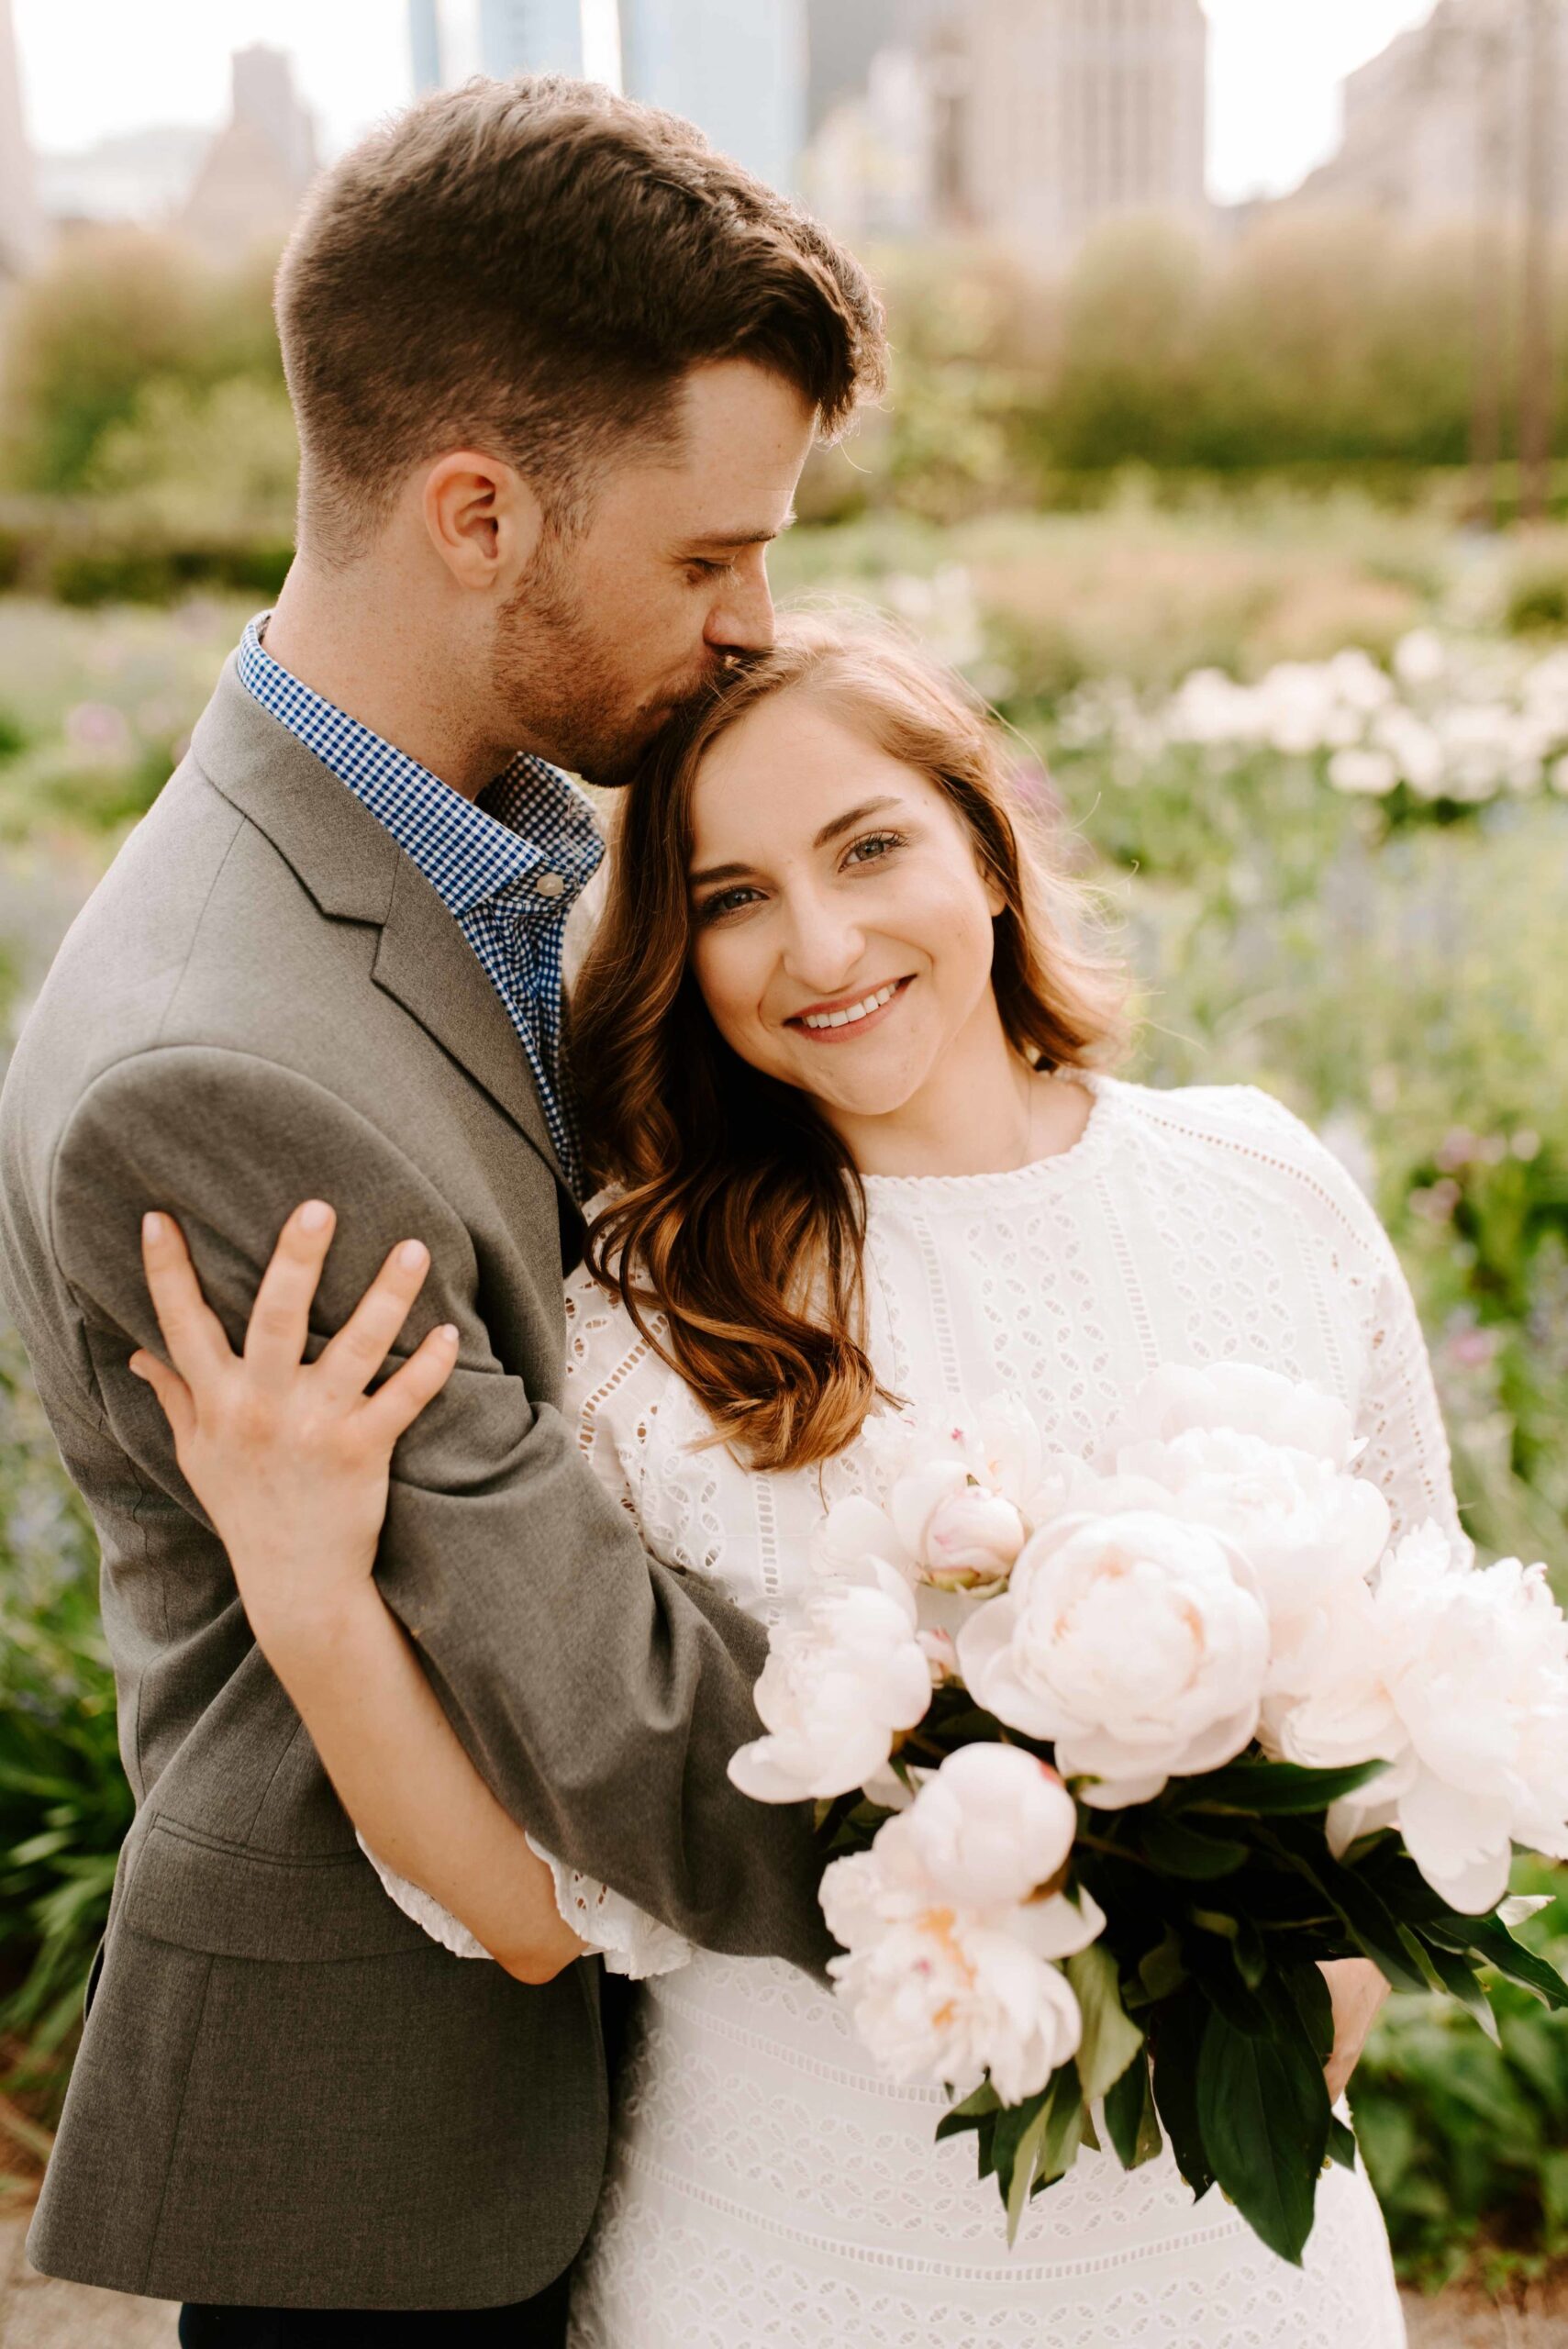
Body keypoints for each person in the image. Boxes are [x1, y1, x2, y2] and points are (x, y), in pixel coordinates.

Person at [132, 616, 1439, 2345]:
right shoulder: (639, 1321)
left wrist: (1332, 1966)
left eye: (870, 846)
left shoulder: (1263, 1189)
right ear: (675, 955)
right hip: (787, 2271)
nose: (819, 943)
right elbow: (528, 1913)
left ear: (983, 845)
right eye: (732, 897)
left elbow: (1417, 1674)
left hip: (1230, 2259)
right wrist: (301, 1585)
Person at [0, 76, 885, 2342]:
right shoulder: (229, 1065)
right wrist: (1108, 1821)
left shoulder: (487, 845)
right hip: (406, 2173)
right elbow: (598, 1707)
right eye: (708, 558)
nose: (759, 627)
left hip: (608, 2060)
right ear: (477, 512)